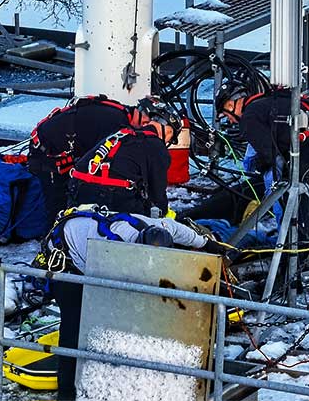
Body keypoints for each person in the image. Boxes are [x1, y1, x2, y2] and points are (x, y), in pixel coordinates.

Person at [34, 206, 226, 401]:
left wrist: (206, 244)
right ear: (138, 246)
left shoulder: (158, 226)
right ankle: (67, 392)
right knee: (74, 328)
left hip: (88, 236)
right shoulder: (112, 250)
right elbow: (112, 293)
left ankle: (122, 374)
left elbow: (180, 230)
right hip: (69, 258)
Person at [215, 83, 309, 238]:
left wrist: (265, 167)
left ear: (230, 105)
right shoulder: (266, 101)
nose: (231, 121)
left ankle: (293, 249)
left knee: (291, 207)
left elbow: (270, 154)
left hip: (303, 157)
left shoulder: (249, 117)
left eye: (227, 115)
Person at [27, 95, 151, 227]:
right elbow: (97, 158)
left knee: (71, 194)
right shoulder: (116, 123)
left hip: (58, 143)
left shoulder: (121, 113)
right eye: (146, 122)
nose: (146, 126)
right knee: (58, 203)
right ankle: (54, 238)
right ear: (140, 112)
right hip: (47, 151)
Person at [67, 100, 183, 216]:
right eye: (171, 138)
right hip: (110, 194)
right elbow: (157, 195)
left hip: (77, 187)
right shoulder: (157, 147)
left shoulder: (121, 134)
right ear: (168, 131)